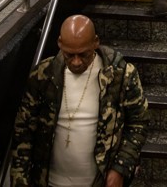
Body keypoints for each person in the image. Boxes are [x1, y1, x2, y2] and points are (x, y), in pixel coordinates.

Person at [10, 15, 149, 187]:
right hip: (49, 181)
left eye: (83, 54)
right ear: (60, 44)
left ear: (95, 42)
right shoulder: (43, 76)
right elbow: (23, 131)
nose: (76, 62)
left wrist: (121, 167)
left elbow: (139, 123)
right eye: (69, 55)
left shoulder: (120, 75)